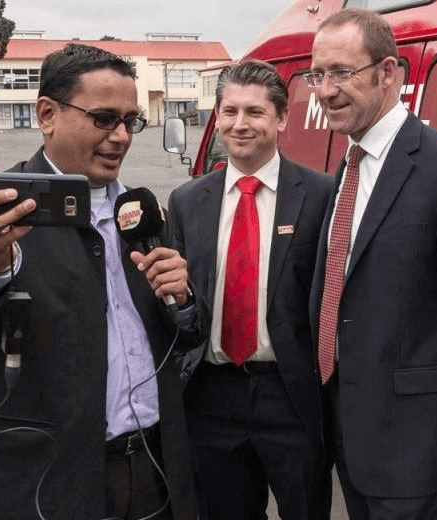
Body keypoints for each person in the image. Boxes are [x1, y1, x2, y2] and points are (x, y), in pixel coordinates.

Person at [0, 44, 205, 520]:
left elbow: (183, 335)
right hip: (48, 476)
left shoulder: (143, 212)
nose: (121, 137)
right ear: (47, 114)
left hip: (154, 466)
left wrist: (184, 299)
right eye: (103, 118)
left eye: (131, 121)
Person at [307, 9, 437, 520]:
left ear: (388, 73)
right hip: (346, 424)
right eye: (316, 75)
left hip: (411, 436)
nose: (325, 90)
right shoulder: (349, 162)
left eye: (341, 73)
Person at [166, 60, 332, 520]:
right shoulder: (186, 201)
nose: (240, 125)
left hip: (292, 397)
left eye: (255, 113)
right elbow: (179, 307)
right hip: (211, 397)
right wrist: (176, 301)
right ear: (217, 116)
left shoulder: (321, 195)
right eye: (230, 111)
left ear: (281, 119)